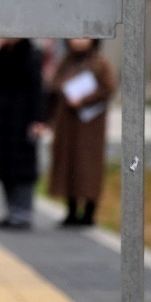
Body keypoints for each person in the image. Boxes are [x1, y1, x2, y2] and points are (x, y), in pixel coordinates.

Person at [48, 38, 116, 227]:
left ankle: (89, 212)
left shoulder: (99, 64)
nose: (78, 42)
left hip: (89, 125)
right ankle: (70, 209)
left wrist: (84, 100)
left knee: (88, 166)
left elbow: (108, 88)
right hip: (67, 124)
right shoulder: (66, 62)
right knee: (67, 164)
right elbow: (53, 88)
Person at [0, 39, 47, 230]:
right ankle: (11, 211)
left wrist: (38, 119)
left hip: (24, 121)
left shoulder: (32, 54)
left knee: (23, 169)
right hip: (3, 120)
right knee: (5, 169)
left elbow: (37, 90)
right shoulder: (2, 54)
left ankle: (23, 213)